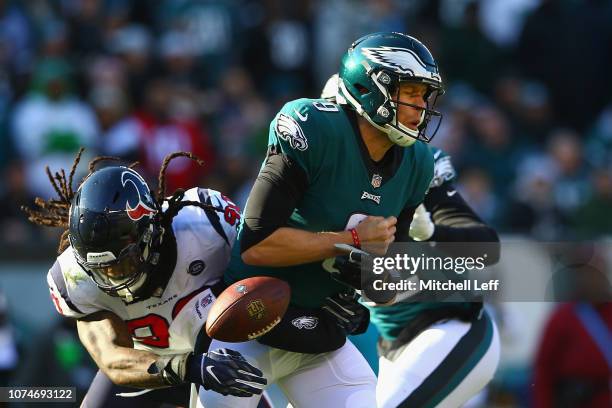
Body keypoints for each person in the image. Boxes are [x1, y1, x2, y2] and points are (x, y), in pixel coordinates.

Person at [198, 32, 445, 408]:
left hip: (320, 336)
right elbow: (256, 246)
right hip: (248, 326)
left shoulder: (418, 162)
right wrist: (351, 240)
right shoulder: (314, 128)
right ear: (369, 87)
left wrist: (367, 279)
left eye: (425, 95)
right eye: (411, 93)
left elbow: (390, 278)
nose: (421, 106)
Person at [22, 149, 267, 407]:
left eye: (122, 263)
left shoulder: (204, 225)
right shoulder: (73, 276)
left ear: (150, 233)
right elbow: (112, 359)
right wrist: (187, 367)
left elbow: (259, 277)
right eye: (100, 270)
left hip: (217, 359)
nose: (113, 277)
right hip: (145, 367)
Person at [323, 71, 502, 406]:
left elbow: (485, 248)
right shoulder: (317, 177)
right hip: (390, 346)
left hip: (448, 328)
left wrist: (431, 231)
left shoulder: (417, 165)